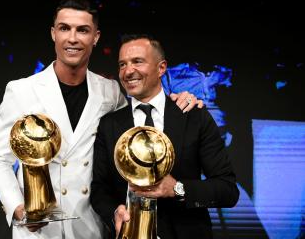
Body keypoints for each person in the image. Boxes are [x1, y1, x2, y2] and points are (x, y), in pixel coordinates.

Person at [0, 0, 201, 238]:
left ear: (95, 37)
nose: (72, 38)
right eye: (64, 28)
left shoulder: (111, 91)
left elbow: (144, 112)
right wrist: (17, 208)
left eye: (83, 30)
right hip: (38, 230)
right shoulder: (21, 90)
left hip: (91, 227)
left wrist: (180, 98)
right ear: (53, 33)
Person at [90, 34, 240, 239]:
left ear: (161, 68)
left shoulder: (193, 116)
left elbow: (227, 190)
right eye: (122, 64)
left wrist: (177, 189)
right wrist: (114, 212)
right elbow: (99, 189)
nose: (128, 71)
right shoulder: (109, 124)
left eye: (137, 61)